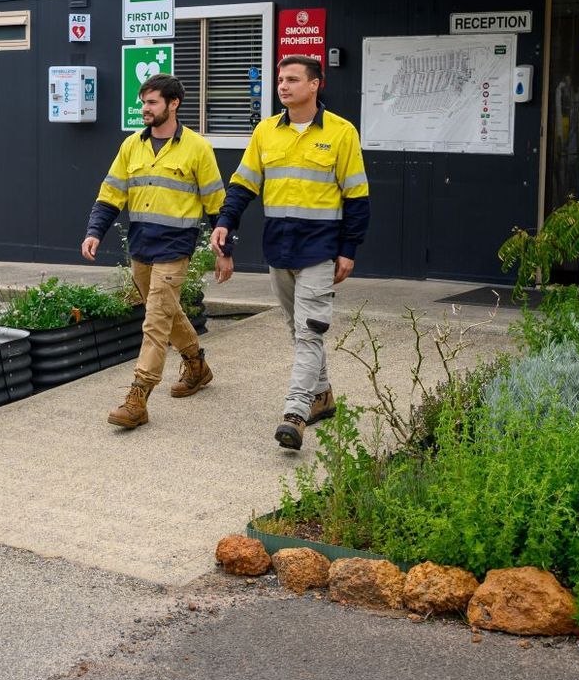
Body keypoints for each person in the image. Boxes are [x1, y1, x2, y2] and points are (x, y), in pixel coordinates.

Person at [210, 54, 369, 450]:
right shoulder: (265, 132)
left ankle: (295, 413)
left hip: (319, 249)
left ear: (315, 85)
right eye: (281, 79)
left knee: (309, 331)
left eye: (293, 79)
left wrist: (348, 249)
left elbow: (357, 196)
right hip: (278, 248)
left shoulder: (342, 132)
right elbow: (243, 185)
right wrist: (225, 221)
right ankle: (323, 395)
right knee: (297, 329)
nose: (283, 86)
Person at [82, 74, 226, 430]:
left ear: (173, 104)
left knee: (155, 321)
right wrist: (94, 232)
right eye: (143, 103)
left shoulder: (197, 148)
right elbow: (111, 192)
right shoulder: (132, 145)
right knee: (164, 311)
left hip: (176, 246)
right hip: (141, 245)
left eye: (151, 103)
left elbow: (217, 205)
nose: (144, 109)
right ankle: (196, 365)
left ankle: (138, 397)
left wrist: (224, 250)